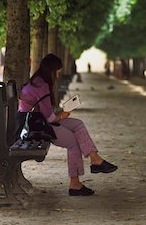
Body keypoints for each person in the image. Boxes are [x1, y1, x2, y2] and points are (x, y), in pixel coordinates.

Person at [18, 53, 117, 196]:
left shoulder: (37, 81)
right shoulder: (42, 86)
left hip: (36, 122)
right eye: (57, 72)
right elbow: (50, 118)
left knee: (78, 124)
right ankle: (75, 184)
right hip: (34, 127)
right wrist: (62, 115)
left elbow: (46, 114)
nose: (58, 75)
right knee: (73, 142)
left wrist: (60, 114)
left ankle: (95, 160)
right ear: (51, 70)